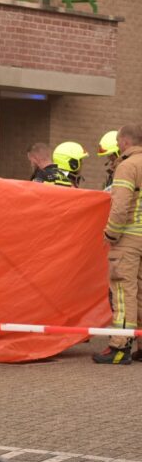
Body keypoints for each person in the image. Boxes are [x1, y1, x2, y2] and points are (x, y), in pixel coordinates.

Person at [93, 124, 142, 364]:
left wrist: (111, 234)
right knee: (141, 294)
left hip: (128, 239)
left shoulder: (128, 166)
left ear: (124, 142)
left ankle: (119, 347)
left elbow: (121, 205)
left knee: (123, 291)